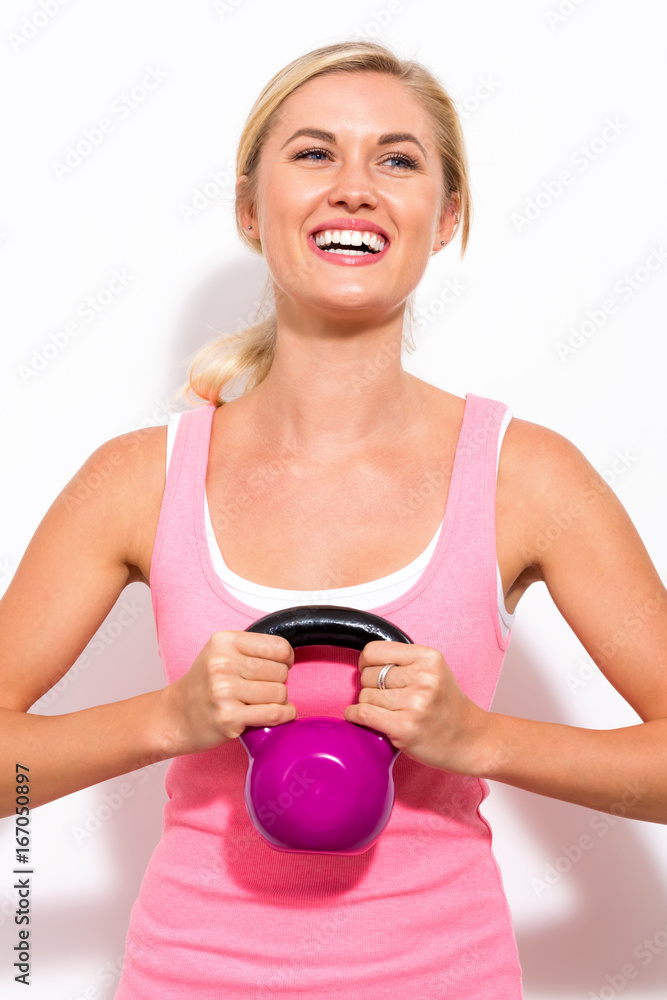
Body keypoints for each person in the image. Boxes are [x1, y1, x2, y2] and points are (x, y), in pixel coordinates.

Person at [1, 37, 666, 999]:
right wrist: (163, 719)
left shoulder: (526, 477)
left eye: (396, 159)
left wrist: (479, 739)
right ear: (246, 208)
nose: (353, 187)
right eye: (313, 153)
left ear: (444, 219)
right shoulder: (137, 479)